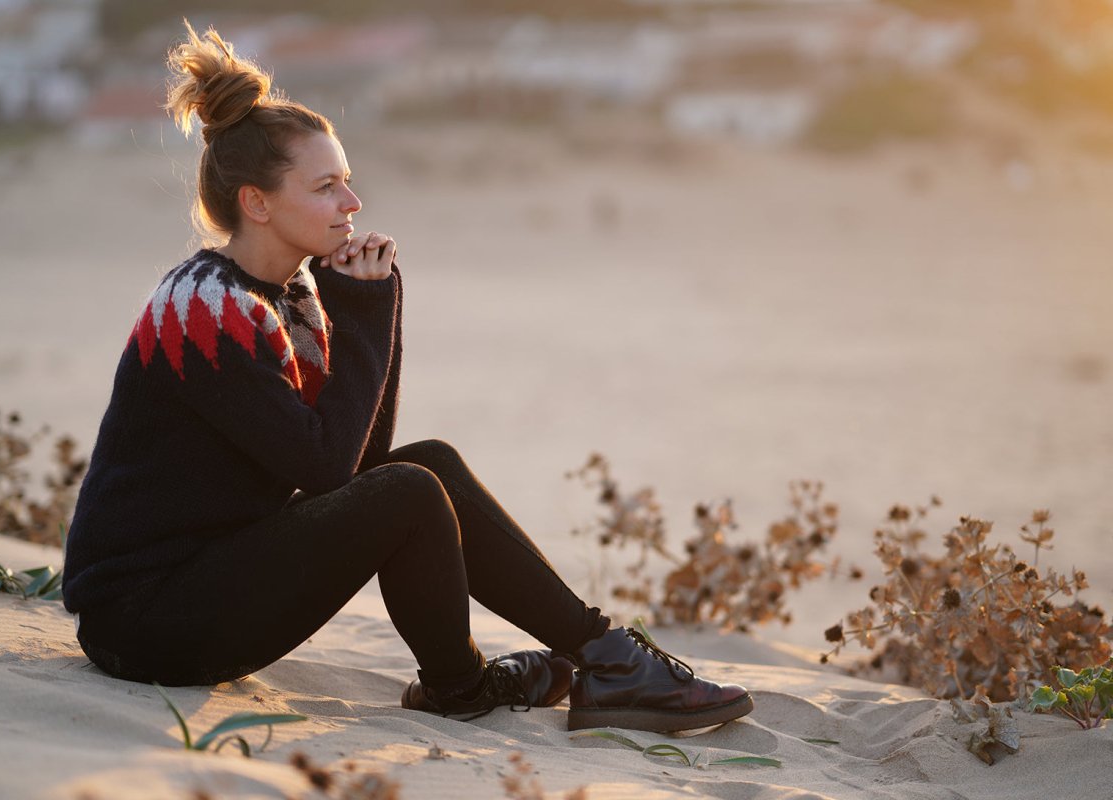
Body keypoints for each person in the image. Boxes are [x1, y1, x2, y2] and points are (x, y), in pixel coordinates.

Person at [61, 21, 754, 733]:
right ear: (257, 202)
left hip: (211, 582)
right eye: (327, 187)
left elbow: (361, 458)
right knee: (411, 488)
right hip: (144, 621)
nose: (351, 204)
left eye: (348, 184)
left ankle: (606, 658)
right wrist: (362, 313)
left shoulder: (289, 300)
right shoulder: (205, 308)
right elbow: (334, 473)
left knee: (428, 466)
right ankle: (464, 687)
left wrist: (373, 304)